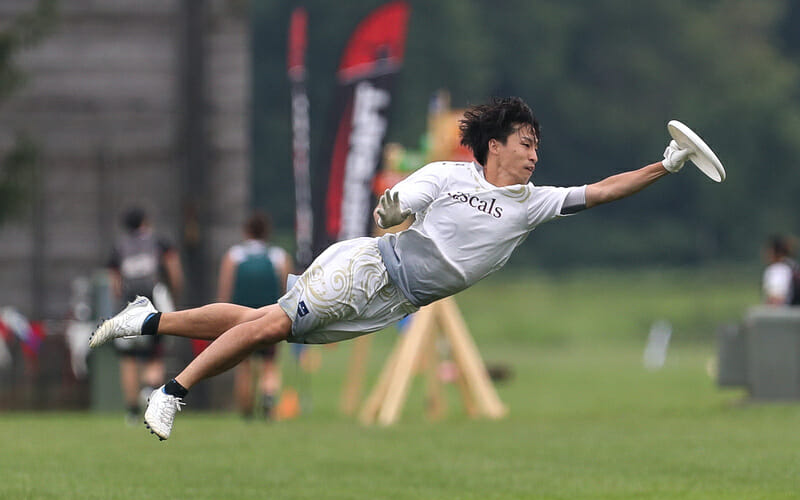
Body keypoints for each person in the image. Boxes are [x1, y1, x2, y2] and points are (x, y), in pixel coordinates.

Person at [89, 96, 694, 440]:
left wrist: (664, 165)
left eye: (537, 144)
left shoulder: (534, 204)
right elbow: (400, 203)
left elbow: (605, 190)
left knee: (258, 320)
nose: (535, 153)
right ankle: (171, 391)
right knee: (270, 328)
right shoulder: (450, 176)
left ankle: (149, 321)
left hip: (392, 304)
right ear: (495, 146)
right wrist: (393, 207)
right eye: (526, 142)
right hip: (367, 270)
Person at [106, 207, 184, 425]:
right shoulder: (159, 241)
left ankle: (131, 412)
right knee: (155, 356)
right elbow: (174, 271)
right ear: (145, 222)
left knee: (128, 359)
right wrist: (173, 296)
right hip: (155, 302)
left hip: (127, 305)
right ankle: (149, 390)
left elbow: (115, 282)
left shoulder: (118, 247)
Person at [217, 212, 293, 420]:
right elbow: (289, 291)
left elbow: (225, 289)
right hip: (270, 317)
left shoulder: (234, 256)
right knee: (270, 364)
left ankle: (246, 410)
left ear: (246, 231)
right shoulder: (278, 256)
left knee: (244, 365)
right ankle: (268, 396)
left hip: (242, 319)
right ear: (267, 232)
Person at [762, 234, 799, 306]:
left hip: (783, 315)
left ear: (773, 252)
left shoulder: (777, 270)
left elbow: (776, 300)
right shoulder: (794, 267)